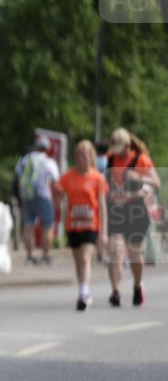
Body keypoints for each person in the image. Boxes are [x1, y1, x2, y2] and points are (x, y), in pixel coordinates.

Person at [105, 127, 161, 306]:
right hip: (117, 207)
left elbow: (156, 182)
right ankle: (115, 291)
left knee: (135, 252)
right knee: (115, 249)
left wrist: (139, 177)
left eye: (120, 149)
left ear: (128, 146)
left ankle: (137, 286)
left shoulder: (140, 159)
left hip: (136, 208)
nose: (117, 153)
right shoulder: (112, 158)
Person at [56, 140, 108, 311]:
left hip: (91, 223)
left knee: (86, 257)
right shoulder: (67, 177)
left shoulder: (97, 178)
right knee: (78, 260)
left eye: (85, 154)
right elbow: (59, 201)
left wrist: (103, 232)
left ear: (90, 156)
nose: (81, 158)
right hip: (73, 224)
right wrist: (56, 196)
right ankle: (83, 289)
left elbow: (101, 205)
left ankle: (83, 293)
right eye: (79, 154)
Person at [14, 135, 61, 265]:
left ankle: (29, 256)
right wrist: (58, 201)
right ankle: (45, 255)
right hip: (43, 196)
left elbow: (17, 176)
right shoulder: (48, 161)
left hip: (27, 196)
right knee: (48, 226)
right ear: (46, 148)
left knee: (28, 226)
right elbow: (56, 182)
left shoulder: (24, 160)